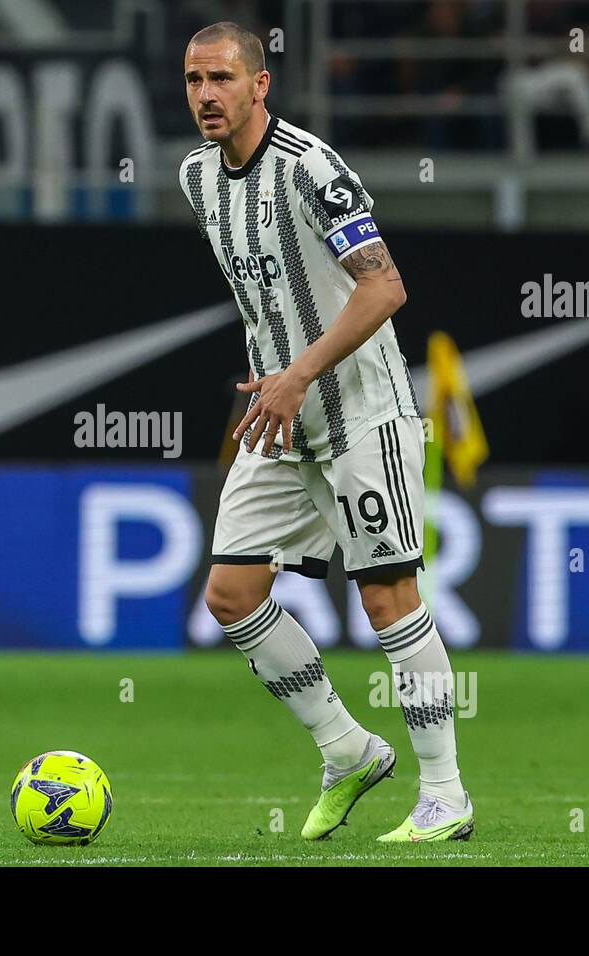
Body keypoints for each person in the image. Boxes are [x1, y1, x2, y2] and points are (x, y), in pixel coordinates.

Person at [179, 21, 472, 843]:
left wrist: (300, 371)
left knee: (387, 597)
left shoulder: (311, 168)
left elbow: (384, 289)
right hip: (278, 413)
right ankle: (347, 749)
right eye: (195, 80)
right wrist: (274, 379)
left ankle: (445, 795)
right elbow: (270, 295)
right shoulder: (197, 177)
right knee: (231, 596)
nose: (206, 96)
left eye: (222, 79)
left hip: (359, 412)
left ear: (260, 84)